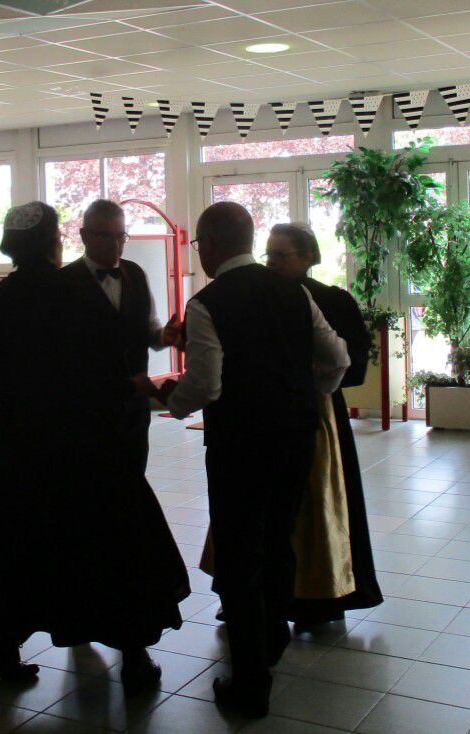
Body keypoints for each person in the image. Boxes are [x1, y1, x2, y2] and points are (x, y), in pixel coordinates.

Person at [140, 202, 349, 718]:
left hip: (241, 444)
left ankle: (250, 683)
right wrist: (306, 396)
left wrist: (170, 405)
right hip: (296, 436)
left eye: (199, 245)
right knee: (278, 538)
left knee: (239, 551)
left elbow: (206, 382)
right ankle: (273, 637)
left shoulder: (207, 302)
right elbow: (337, 358)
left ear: (210, 243)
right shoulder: (293, 291)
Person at [0, 202, 189, 695]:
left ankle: (2, 646)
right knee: (114, 530)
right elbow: (81, 372)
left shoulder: (4, 296)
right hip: (76, 435)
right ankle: (128, 640)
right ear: (60, 240)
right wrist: (137, 387)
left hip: (18, 435)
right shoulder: (63, 290)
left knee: (18, 539)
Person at [266, 222, 382, 625]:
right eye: (270, 254)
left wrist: (312, 380)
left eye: (282, 255)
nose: (273, 262)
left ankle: (318, 594)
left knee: (318, 504)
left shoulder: (332, 300)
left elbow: (354, 364)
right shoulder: (258, 295)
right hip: (267, 415)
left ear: (308, 258)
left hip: (320, 413)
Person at [60, 199, 181, 477]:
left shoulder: (135, 274)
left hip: (134, 411)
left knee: (133, 481)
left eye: (121, 236)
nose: (115, 246)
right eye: (105, 236)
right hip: (88, 411)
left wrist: (167, 335)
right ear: (84, 236)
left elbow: (151, 332)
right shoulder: (63, 284)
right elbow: (66, 357)